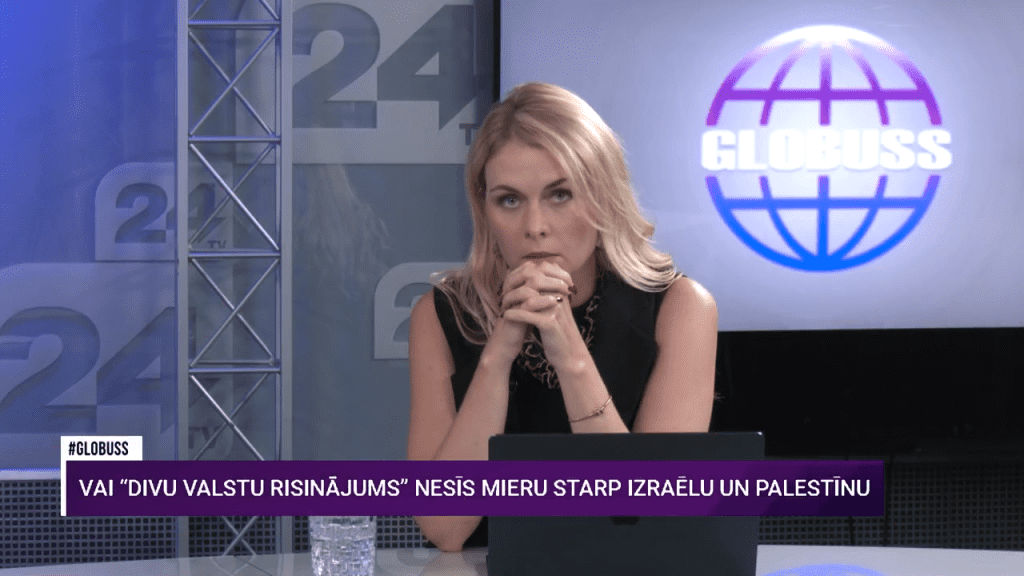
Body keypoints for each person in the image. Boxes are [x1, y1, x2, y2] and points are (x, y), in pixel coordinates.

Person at [407, 82, 718, 551]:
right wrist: (498, 354)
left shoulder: (681, 308)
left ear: (602, 196)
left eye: (560, 195)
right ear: (484, 209)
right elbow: (443, 527)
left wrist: (568, 349)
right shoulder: (441, 315)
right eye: (509, 200)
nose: (535, 227)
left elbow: (646, 516)